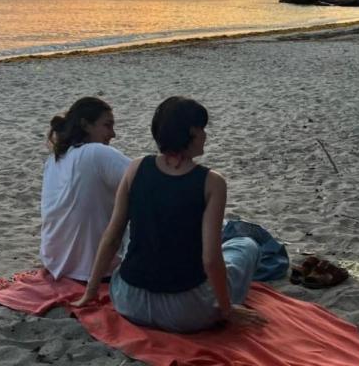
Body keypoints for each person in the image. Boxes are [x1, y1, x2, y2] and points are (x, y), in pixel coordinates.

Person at [73, 96, 265, 332]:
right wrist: (227, 310)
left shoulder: (135, 168)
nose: (205, 135)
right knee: (245, 247)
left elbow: (112, 236)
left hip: (129, 300)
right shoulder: (212, 182)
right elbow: (211, 259)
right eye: (202, 129)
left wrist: (91, 291)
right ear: (192, 132)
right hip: (185, 312)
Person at [40, 97, 131, 281]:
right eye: (107, 125)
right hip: (92, 271)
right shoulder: (96, 153)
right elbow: (148, 180)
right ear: (86, 125)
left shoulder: (54, 160)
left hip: (55, 263)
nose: (113, 134)